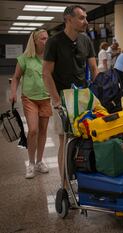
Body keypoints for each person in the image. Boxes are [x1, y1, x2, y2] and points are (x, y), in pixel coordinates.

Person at [42, 5, 98, 179]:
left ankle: (84, 180)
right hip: (63, 98)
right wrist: (56, 100)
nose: (86, 22)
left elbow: (94, 69)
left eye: (86, 18)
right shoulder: (54, 42)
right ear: (68, 19)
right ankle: (64, 185)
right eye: (81, 18)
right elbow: (46, 73)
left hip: (83, 97)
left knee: (86, 138)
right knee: (65, 141)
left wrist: (95, 94)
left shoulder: (86, 40)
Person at [10, 29, 51, 179]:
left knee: (43, 131)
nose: (46, 41)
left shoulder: (50, 58)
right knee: (33, 130)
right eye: (43, 39)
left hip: (46, 98)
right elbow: (15, 78)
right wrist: (13, 93)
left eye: (47, 38)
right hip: (29, 99)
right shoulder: (24, 58)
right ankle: (31, 163)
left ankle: (40, 161)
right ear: (34, 41)